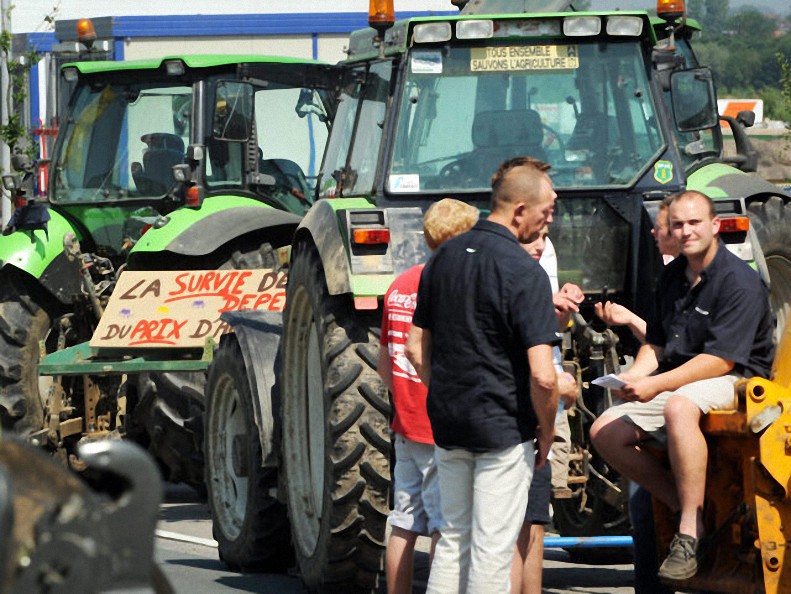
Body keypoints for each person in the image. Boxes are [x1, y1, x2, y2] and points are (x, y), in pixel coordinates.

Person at [590, 190, 775, 581]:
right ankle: (682, 505)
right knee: (604, 430)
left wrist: (656, 385)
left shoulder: (739, 282)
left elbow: (721, 359)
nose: (686, 231)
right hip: (682, 379)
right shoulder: (672, 277)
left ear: (715, 225)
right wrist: (635, 377)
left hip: (735, 378)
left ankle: (689, 532)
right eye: (678, 224)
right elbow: (656, 344)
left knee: (679, 406)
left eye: (694, 223)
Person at [406, 156, 560, 593]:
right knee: (492, 549)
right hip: (502, 430)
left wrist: (446, 393)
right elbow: (544, 377)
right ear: (519, 211)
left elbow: (416, 347)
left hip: (449, 423)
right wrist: (546, 429)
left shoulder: (441, 259)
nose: (549, 219)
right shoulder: (524, 271)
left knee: (452, 538)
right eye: (546, 210)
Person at [377, 198, 479, 594]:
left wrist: (404, 399)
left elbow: (385, 362)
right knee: (445, 525)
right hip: (438, 424)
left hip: (404, 421)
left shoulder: (400, 284)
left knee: (404, 521)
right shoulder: (448, 287)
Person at [511, 226, 581, 594]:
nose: (540, 246)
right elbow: (540, 372)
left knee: (535, 517)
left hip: (541, 400)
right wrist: (553, 395)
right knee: (516, 522)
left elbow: (554, 329)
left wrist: (561, 307)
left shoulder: (542, 255)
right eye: (532, 240)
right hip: (529, 405)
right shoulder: (508, 274)